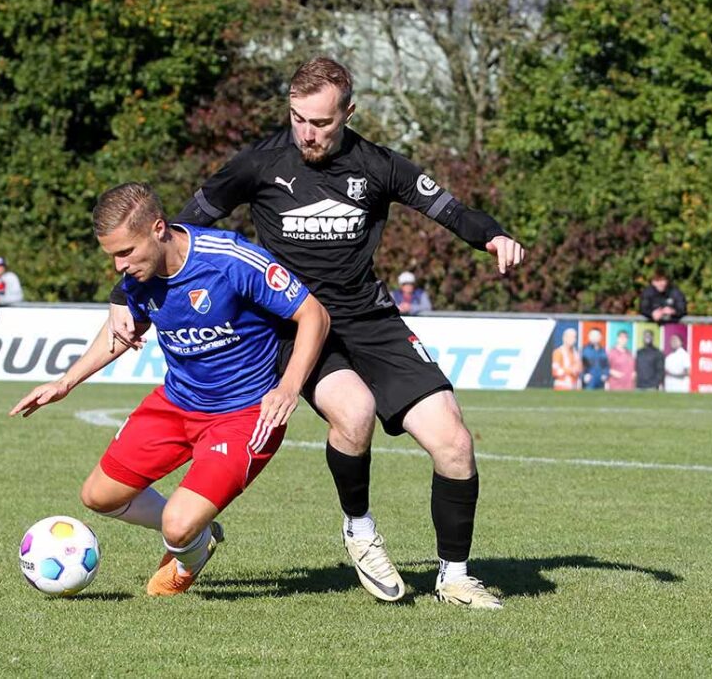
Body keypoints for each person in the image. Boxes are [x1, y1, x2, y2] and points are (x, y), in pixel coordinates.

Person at [108, 58, 525, 609]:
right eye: (298, 118)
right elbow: (180, 229)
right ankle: (360, 529)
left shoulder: (377, 164)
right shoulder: (259, 161)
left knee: (454, 442)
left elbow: (446, 207)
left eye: (322, 122)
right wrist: (123, 297)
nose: (307, 132)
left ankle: (454, 577)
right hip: (294, 325)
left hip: (371, 319)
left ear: (348, 114)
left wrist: (492, 236)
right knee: (352, 414)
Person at [11, 182, 329, 597]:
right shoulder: (138, 278)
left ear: (159, 229)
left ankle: (187, 554)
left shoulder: (228, 259)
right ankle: (199, 532)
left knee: (177, 527)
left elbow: (314, 314)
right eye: (112, 256)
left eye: (125, 252)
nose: (119, 267)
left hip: (244, 414)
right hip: (177, 403)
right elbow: (122, 330)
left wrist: (289, 387)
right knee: (97, 496)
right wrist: (65, 382)